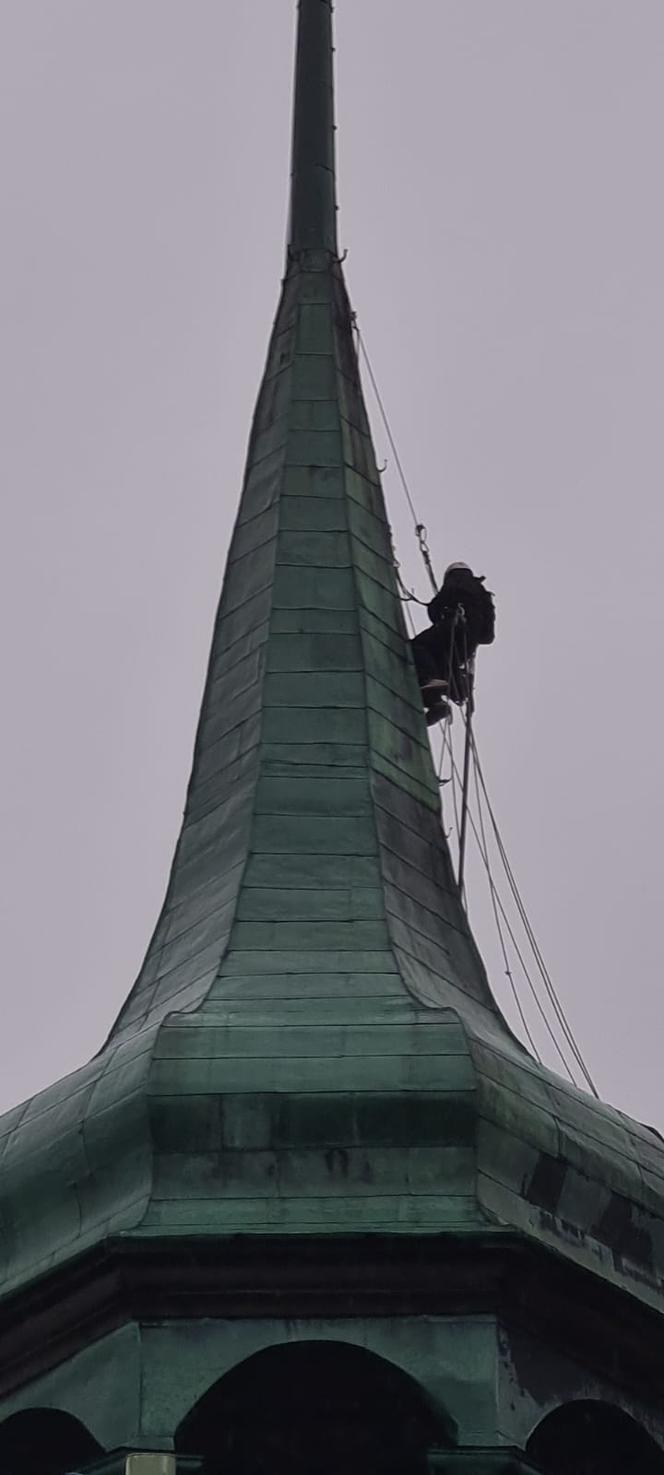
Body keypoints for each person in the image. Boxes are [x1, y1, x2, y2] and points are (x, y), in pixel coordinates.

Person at [411, 562, 495, 726]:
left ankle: (431, 682)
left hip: (453, 628)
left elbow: (435, 608)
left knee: (417, 646)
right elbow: (488, 636)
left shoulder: (456, 580)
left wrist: (444, 617)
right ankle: (438, 702)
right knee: (442, 661)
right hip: (467, 645)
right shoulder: (485, 596)